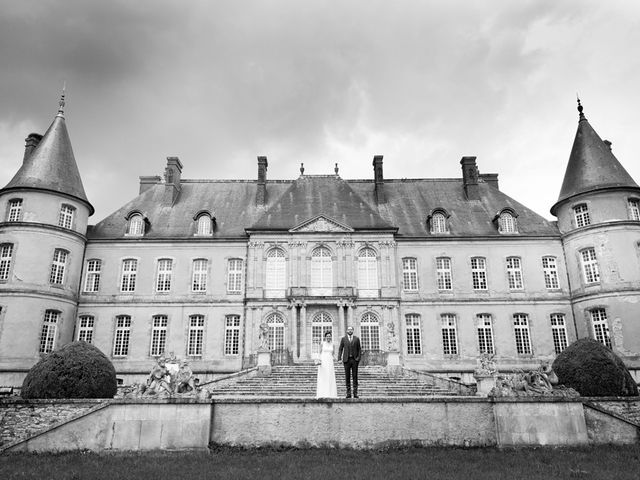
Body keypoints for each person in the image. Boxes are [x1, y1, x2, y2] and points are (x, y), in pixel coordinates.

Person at [338, 326, 361, 398]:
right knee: (347, 376)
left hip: (354, 360)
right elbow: (340, 349)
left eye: (351, 330)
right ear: (346, 330)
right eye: (348, 329)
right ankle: (348, 393)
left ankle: (355, 393)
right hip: (346, 360)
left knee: (355, 376)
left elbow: (359, 349)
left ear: (353, 331)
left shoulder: (356, 339)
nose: (350, 331)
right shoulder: (343, 339)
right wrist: (339, 358)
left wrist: (358, 358)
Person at [316, 331, 337, 398]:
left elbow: (333, 354)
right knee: (323, 376)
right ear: (325, 337)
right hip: (323, 361)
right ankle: (322, 393)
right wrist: (319, 359)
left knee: (330, 376)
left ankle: (330, 393)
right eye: (327, 336)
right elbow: (319, 352)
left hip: (330, 362)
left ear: (331, 337)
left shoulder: (333, 344)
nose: (328, 337)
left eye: (329, 336)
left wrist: (338, 359)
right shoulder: (322, 344)